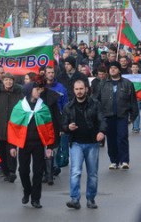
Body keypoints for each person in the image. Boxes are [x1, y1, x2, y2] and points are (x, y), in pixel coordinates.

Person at [8, 81, 54, 208]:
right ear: (29, 91)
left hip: (39, 144)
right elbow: (13, 127)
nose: (39, 91)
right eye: (36, 89)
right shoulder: (19, 107)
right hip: (23, 144)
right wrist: (12, 146)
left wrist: (49, 147)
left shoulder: (43, 107)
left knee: (38, 172)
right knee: (23, 171)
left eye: (40, 89)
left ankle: (35, 198)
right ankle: (27, 190)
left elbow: (49, 127)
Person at [62, 79, 106, 209]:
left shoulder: (95, 104)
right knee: (75, 172)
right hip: (76, 143)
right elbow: (63, 125)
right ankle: (74, 199)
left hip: (92, 143)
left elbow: (102, 119)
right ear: (73, 90)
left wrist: (102, 132)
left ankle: (91, 199)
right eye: (76, 89)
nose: (79, 91)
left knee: (92, 173)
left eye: (81, 89)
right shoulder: (68, 107)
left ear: (86, 89)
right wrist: (68, 127)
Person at [95, 61, 138, 169]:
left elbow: (133, 101)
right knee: (111, 139)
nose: (112, 70)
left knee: (122, 137)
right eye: (111, 68)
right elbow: (96, 100)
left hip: (122, 116)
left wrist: (133, 116)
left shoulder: (127, 84)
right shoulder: (103, 84)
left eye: (115, 68)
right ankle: (114, 161)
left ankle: (124, 161)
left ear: (119, 70)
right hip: (108, 116)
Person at [0, 73, 23, 181]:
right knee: (2, 151)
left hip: (13, 127)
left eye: (10, 80)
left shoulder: (19, 92)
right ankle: (5, 171)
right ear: (3, 81)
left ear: (13, 81)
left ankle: (12, 171)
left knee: (12, 150)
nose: (8, 82)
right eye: (6, 80)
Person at [130, 63, 141, 133]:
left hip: (138, 96)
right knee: (133, 112)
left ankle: (136, 127)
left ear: (138, 68)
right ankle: (135, 127)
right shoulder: (128, 77)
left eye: (136, 67)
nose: (134, 68)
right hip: (130, 97)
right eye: (133, 67)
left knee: (136, 112)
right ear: (131, 68)